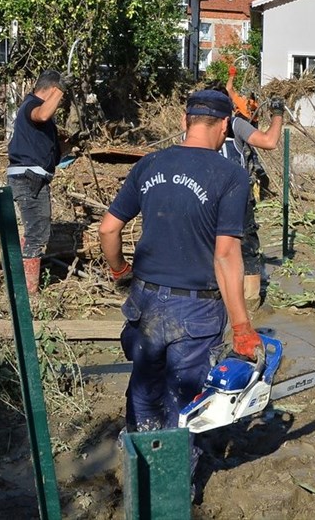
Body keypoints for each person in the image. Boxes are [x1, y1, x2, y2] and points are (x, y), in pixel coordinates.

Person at [98, 89, 262, 440]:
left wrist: (119, 270)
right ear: (225, 126)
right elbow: (226, 255)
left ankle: (141, 475)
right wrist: (242, 327)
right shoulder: (230, 175)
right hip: (195, 310)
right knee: (186, 406)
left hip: (144, 302)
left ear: (183, 121)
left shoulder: (149, 164)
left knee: (144, 394)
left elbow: (108, 228)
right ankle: (173, 488)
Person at [218, 81, 285, 315]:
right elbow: (269, 141)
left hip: (207, 195)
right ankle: (249, 304)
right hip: (235, 196)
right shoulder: (235, 123)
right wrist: (278, 114)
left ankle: (226, 301)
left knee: (214, 247)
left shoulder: (194, 125)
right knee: (246, 247)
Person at [7, 69, 71, 296]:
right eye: (57, 95)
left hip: (33, 176)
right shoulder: (32, 106)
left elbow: (53, 151)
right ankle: (27, 293)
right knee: (36, 234)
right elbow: (42, 114)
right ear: (52, 90)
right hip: (28, 177)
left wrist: (72, 144)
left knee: (36, 232)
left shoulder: (40, 117)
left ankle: (24, 287)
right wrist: (61, 90)